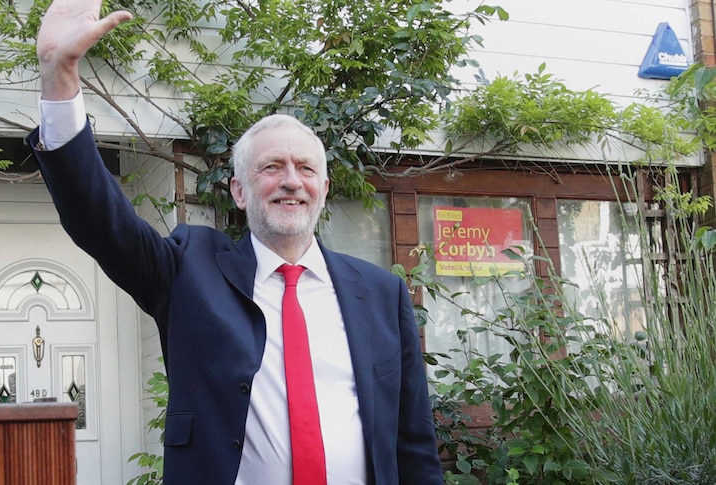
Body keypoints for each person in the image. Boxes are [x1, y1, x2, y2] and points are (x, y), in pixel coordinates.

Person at [28, 0, 445, 483]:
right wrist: (59, 80)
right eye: (271, 167)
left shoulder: (380, 293)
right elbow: (101, 222)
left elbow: (413, 442)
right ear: (240, 191)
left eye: (306, 168)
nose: (291, 181)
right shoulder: (189, 272)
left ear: (323, 190)